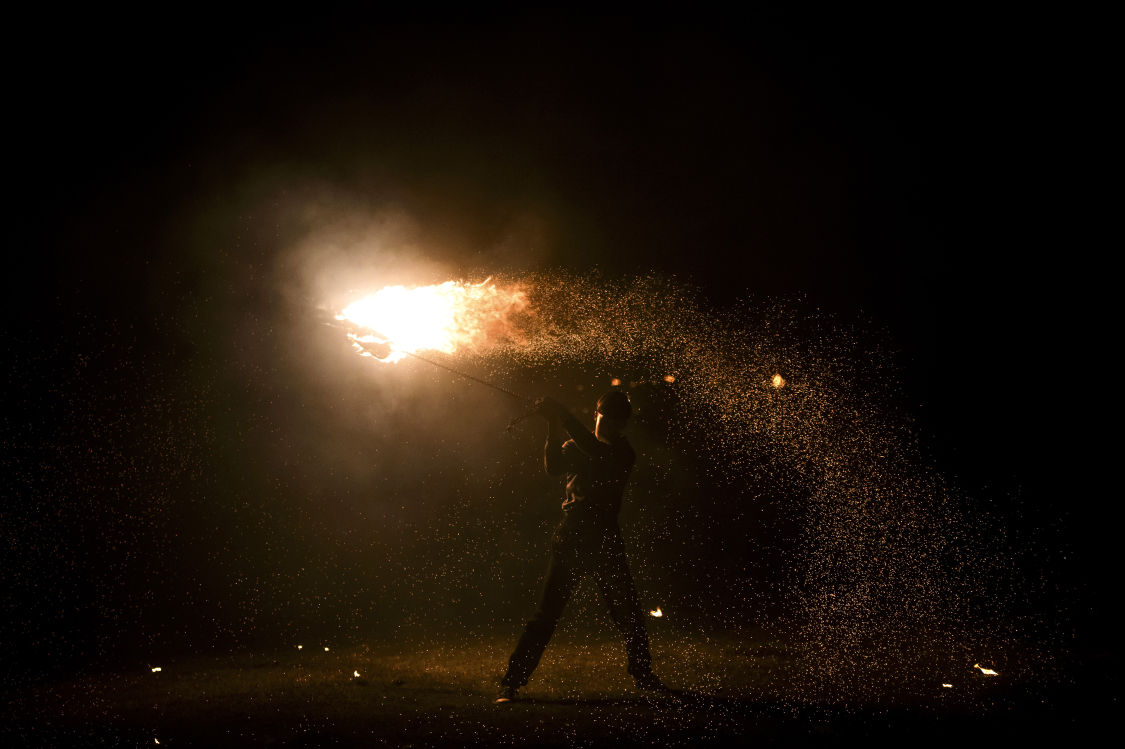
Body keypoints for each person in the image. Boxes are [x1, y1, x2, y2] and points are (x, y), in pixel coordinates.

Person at [497, 390, 669, 702]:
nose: (612, 425)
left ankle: (643, 675)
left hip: (604, 538)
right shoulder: (576, 443)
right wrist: (553, 423)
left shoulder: (622, 452)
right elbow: (553, 467)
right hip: (573, 535)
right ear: (596, 414)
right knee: (546, 616)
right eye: (608, 418)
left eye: (619, 421)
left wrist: (562, 413)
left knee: (627, 612)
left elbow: (595, 451)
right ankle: (512, 681)